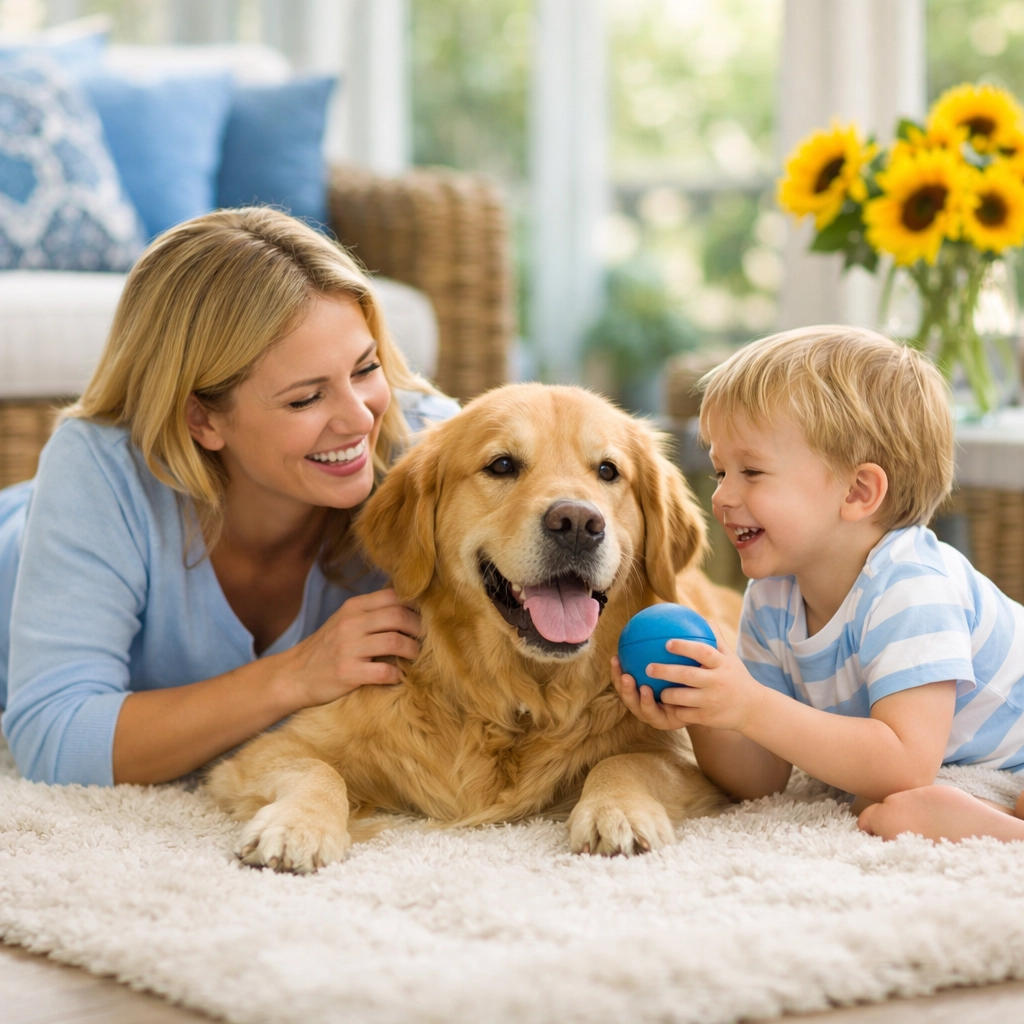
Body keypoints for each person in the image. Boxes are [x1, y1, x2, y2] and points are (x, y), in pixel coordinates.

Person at [0, 207, 458, 787]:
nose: (359, 417)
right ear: (202, 418)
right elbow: (56, 740)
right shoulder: (97, 466)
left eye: (365, 368)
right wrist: (295, 674)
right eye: (305, 399)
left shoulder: (433, 449)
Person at [613, 325, 1024, 843]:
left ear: (857, 491)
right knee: (885, 809)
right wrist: (707, 708)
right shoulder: (773, 594)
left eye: (752, 471)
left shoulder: (910, 586)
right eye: (720, 472)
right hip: (970, 763)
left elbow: (904, 762)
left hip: (999, 754)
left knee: (892, 803)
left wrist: (755, 706)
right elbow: (761, 778)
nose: (722, 497)